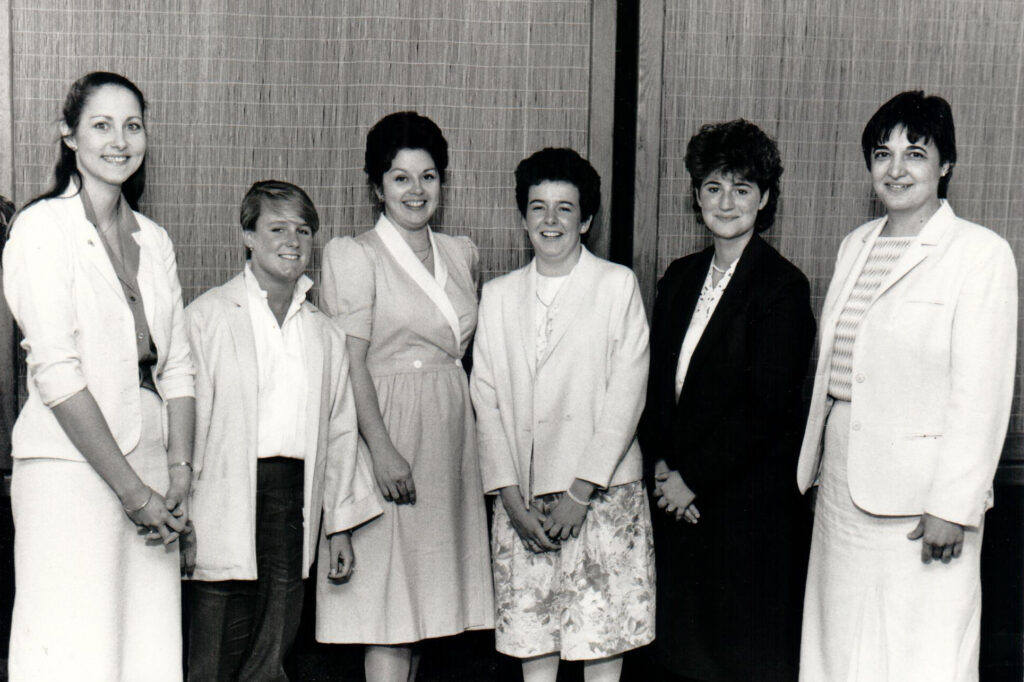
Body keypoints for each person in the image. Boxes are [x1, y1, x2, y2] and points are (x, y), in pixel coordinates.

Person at [797, 91, 1017, 681]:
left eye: (915, 153)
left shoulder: (979, 255)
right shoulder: (856, 245)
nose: (895, 169)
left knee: (920, 650)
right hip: (842, 480)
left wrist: (953, 505)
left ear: (945, 165)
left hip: (923, 496)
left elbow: (981, 391)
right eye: (882, 153)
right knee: (839, 643)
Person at [2, 71, 194, 681]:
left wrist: (180, 473)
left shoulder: (155, 239)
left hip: (155, 472)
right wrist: (131, 492)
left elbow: (179, 365)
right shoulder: (40, 228)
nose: (120, 141)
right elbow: (57, 373)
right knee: (73, 650)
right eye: (101, 125)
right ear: (69, 136)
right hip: (70, 472)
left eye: (132, 126)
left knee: (147, 654)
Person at [315, 111, 493, 682]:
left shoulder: (461, 252)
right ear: (376, 187)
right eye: (400, 177)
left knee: (423, 615)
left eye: (428, 177)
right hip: (387, 427)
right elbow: (351, 361)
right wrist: (383, 449)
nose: (416, 191)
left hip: (449, 434)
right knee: (388, 609)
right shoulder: (354, 254)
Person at [183, 180, 382, 681]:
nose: (292, 240)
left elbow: (339, 436)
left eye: (303, 230)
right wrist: (182, 510)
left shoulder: (324, 333)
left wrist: (339, 526)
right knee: (212, 648)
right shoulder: (206, 317)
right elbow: (184, 425)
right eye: (277, 228)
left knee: (275, 647)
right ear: (248, 236)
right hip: (222, 495)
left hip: (292, 499)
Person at [470, 147, 654, 682]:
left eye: (565, 209)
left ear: (587, 219)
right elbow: (487, 399)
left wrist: (580, 492)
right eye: (538, 207)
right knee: (536, 652)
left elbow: (627, 393)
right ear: (523, 216)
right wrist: (509, 499)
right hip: (524, 502)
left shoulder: (616, 285)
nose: (550, 221)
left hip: (599, 495)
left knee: (601, 647)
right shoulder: (498, 296)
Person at [641, 120, 815, 681]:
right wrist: (664, 470)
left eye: (743, 189)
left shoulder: (783, 287)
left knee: (740, 661)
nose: (727, 201)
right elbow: (655, 389)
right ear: (696, 195)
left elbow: (767, 408)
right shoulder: (679, 277)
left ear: (764, 200)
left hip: (746, 513)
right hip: (679, 507)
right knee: (683, 660)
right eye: (714, 187)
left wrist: (693, 478)